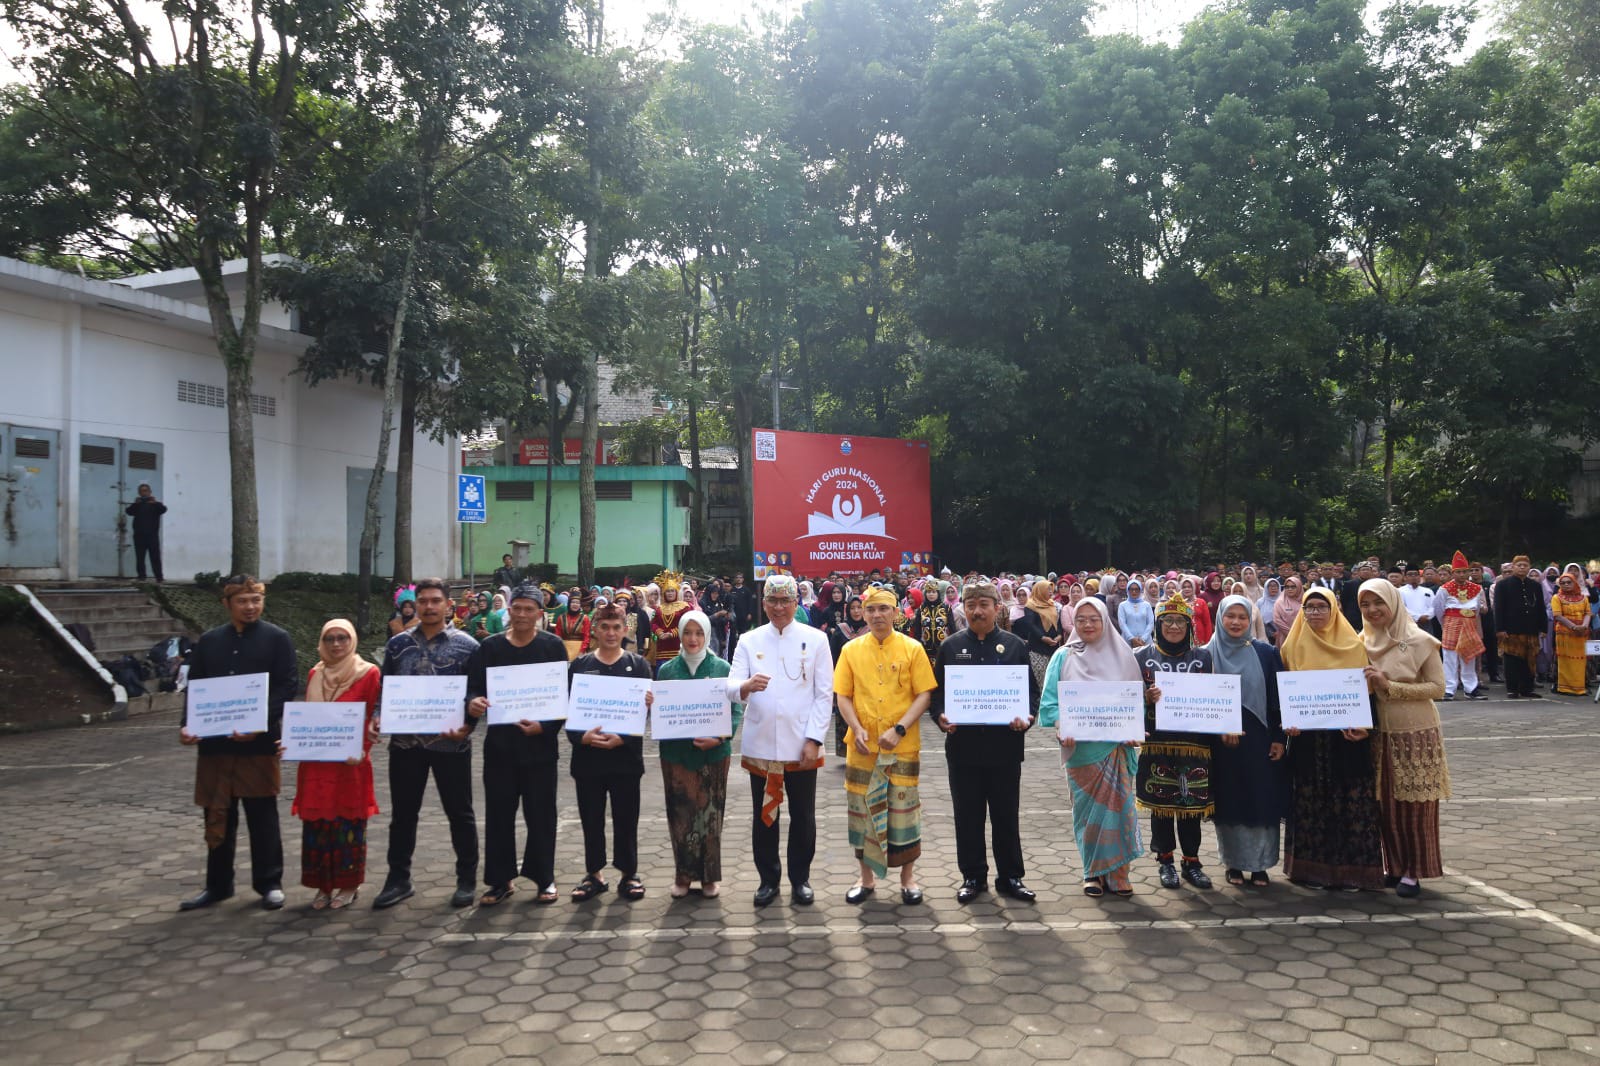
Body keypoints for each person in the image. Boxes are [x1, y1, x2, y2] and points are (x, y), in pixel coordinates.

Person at [178, 575, 298, 911]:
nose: (250, 607)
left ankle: (269, 883)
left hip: (258, 746)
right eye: (243, 601)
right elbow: (196, 688)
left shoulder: (277, 639)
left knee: (262, 816)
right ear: (227, 604)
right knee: (217, 815)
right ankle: (217, 885)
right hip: (215, 746)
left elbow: (287, 687)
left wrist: (257, 723)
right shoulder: (210, 641)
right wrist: (187, 725)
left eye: (256, 600)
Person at [727, 574, 833, 907]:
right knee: (764, 814)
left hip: (801, 742)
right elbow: (729, 685)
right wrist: (745, 687)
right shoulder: (749, 640)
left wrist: (815, 738)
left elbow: (823, 694)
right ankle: (768, 879)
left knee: (803, 815)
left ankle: (800, 878)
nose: (779, 608)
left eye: (785, 601)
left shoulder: (816, 640)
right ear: (764, 603)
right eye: (772, 601)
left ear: (796, 602)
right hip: (761, 744)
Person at [373, 578, 479, 910]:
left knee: (459, 813)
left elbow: (476, 693)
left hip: (451, 744)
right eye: (423, 601)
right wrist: (378, 715)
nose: (429, 606)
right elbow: (385, 689)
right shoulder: (397, 645)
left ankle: (466, 879)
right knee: (404, 814)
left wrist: (468, 725)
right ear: (415, 605)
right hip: (406, 745)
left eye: (436, 601)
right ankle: (398, 879)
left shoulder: (469, 647)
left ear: (449, 605)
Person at [930, 582, 1039, 904]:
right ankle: (973, 876)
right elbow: (937, 695)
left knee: (1006, 816)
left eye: (984, 604)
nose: (977, 611)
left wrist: (1027, 717)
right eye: (971, 604)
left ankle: (1011, 877)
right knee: (968, 816)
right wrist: (940, 717)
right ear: (962, 607)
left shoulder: (1015, 645)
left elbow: (1031, 693)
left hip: (1004, 748)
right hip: (963, 749)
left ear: (997, 608)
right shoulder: (950, 647)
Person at [465, 587, 569, 906]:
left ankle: (544, 878)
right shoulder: (490, 648)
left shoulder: (552, 647)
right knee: (498, 814)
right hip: (499, 748)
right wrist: (473, 704)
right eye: (517, 608)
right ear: (508, 610)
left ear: (540, 613)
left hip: (539, 748)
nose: (522, 614)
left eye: (529, 609)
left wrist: (546, 726)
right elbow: (473, 689)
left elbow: (563, 697)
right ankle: (500, 880)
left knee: (541, 814)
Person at [834, 587, 938, 905]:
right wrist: (856, 728)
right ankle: (865, 879)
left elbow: (924, 694)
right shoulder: (851, 650)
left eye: (884, 609)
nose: (877, 615)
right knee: (862, 811)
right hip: (862, 746)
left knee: (904, 812)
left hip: (902, 746)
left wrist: (900, 729)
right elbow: (843, 696)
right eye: (871, 609)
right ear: (863, 613)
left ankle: (908, 879)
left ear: (895, 613)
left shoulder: (913, 648)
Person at [1279, 587, 1384, 892]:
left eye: (1320, 607)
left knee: (1348, 801)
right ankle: (1310, 872)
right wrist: (1288, 722)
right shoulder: (1292, 646)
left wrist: (1368, 727)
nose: (1314, 613)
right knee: (1310, 802)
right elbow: (1284, 693)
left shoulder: (1353, 645)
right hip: (1308, 741)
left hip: (1347, 738)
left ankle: (1351, 873)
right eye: (1309, 607)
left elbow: (1369, 694)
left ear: (1334, 609)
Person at [1039, 597, 1144, 898]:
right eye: (1081, 619)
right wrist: (1061, 726)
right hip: (1082, 751)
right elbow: (1049, 704)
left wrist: (1133, 729)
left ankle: (1119, 872)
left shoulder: (1123, 655)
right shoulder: (1063, 656)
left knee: (1120, 811)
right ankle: (1093, 873)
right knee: (1088, 816)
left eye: (1093, 618)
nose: (1087, 624)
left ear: (1104, 621)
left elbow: (1132, 701)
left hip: (1115, 748)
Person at [1357, 579, 1451, 898]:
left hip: (1415, 734)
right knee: (1385, 805)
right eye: (1364, 605)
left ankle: (1413, 870)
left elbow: (1437, 688)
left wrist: (1390, 686)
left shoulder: (1421, 641)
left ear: (1393, 603)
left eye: (1378, 603)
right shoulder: (1359, 642)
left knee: (1415, 806)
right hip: (1377, 735)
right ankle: (1393, 865)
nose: (1372, 611)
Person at [291, 619, 381, 910]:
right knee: (318, 827)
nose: (336, 644)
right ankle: (322, 886)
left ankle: (348, 884)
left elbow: (372, 718)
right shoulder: (315, 673)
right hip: (317, 766)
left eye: (343, 637)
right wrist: (291, 742)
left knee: (348, 825)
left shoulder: (368, 673)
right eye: (329, 639)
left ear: (352, 640)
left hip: (349, 765)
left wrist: (364, 744)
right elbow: (307, 718)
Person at [567, 605, 654, 902]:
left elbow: (641, 713)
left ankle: (629, 873)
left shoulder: (638, 665)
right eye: (605, 627)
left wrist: (626, 737)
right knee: (591, 818)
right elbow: (568, 711)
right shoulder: (579, 666)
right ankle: (594, 873)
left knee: (626, 818)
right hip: (588, 758)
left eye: (616, 627)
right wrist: (581, 737)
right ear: (596, 629)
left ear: (625, 629)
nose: (611, 633)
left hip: (625, 758)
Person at [656, 609, 743, 899]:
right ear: (680, 635)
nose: (693, 639)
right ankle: (683, 876)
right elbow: (661, 710)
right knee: (680, 813)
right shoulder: (667, 671)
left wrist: (720, 735)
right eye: (687, 633)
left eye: (699, 633)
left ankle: (709, 877)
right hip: (676, 754)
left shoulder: (721, 668)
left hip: (714, 754)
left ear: (707, 635)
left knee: (710, 815)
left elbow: (735, 710)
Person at [1206, 596, 1288, 887]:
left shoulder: (1266, 653)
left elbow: (1278, 700)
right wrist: (1219, 728)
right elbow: (1199, 703)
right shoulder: (1206, 654)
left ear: (1251, 620)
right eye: (1231, 616)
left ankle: (1260, 865)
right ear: (1220, 618)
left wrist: (1279, 738)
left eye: (1243, 616)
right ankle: (1234, 864)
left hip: (1259, 739)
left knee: (1261, 799)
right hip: (1222, 744)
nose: (1237, 622)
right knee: (1230, 800)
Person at [1134, 594, 1215, 890]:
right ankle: (1165, 860)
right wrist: (1144, 698)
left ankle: (1192, 861)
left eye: (1180, 621)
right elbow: (1127, 701)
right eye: (1167, 620)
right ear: (1157, 624)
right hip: (1158, 743)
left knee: (1191, 806)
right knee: (1162, 805)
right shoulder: (1141, 657)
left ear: (1189, 625)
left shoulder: (1203, 658)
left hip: (1196, 744)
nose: (1173, 626)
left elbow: (1216, 699)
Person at [1433, 552, 1487, 700]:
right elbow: (1438, 609)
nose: (1462, 575)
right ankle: (1449, 689)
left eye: (1464, 571)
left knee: (1469, 657)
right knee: (1450, 657)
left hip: (1469, 623)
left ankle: (1471, 688)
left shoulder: (1477, 589)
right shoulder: (1444, 589)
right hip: (1451, 624)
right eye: (1458, 572)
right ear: (1453, 573)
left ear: (1469, 572)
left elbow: (1476, 610)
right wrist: (1446, 624)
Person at [1494, 556, 1549, 699]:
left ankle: (1527, 689)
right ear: (1513, 567)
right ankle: (1512, 689)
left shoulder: (1535, 585)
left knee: (1530, 660)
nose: (1522, 567)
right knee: (1512, 660)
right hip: (1510, 630)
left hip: (1531, 629)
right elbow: (1498, 609)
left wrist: (1543, 628)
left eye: (1525, 565)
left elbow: (1540, 608)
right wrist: (1500, 629)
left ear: (1529, 567)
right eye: (1519, 565)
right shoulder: (1503, 585)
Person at [1012, 579, 1066, 689]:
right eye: (1048, 590)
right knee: (1040, 679)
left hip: (1054, 647)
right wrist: (1043, 637)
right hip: (1038, 649)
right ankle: (1040, 704)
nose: (1051, 592)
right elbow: (1031, 625)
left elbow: (1058, 622)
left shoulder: (1053, 605)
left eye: (1051, 590)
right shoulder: (1030, 606)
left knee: (1054, 678)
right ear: (1040, 591)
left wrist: (1059, 635)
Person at [1551, 571, 1590, 696]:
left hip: (1581, 633)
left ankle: (1579, 687)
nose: (1566, 585)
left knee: (1580, 660)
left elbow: (1588, 613)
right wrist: (1573, 626)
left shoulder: (1583, 598)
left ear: (1575, 583)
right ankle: (1565, 688)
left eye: (1569, 582)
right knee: (1565, 660)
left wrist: (1584, 626)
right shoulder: (1557, 598)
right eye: (1563, 583)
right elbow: (1557, 615)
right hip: (1564, 633)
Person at [125, 482, 168, 583]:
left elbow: (163, 509)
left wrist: (155, 503)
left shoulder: (156, 505)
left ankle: (159, 577)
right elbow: (129, 512)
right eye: (141, 491)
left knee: (155, 557)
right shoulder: (137, 505)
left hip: (152, 535)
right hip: (139, 535)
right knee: (140, 557)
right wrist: (136, 504)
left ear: (150, 492)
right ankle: (141, 576)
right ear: (139, 493)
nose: (144, 493)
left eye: (145, 491)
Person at [650, 571, 690, 673]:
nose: (670, 593)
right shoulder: (659, 608)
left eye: (672, 591)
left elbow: (687, 624)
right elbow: (653, 624)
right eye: (668, 591)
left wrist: (672, 634)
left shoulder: (684, 607)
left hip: (678, 649)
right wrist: (660, 633)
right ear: (664, 593)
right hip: (662, 650)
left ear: (676, 592)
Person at [1117, 579, 1155, 648]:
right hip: (1127, 641)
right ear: (1128, 590)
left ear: (1140, 590)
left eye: (1136, 589)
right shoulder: (1122, 605)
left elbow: (1151, 623)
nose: (1134, 592)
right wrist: (1131, 638)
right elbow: (1122, 623)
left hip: (1145, 641)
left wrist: (1143, 639)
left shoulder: (1146, 605)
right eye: (1131, 589)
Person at [1272, 576, 1304, 649]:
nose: (1290, 589)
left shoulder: (1305, 600)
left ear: (1299, 587)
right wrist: (1291, 633)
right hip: (1285, 636)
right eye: (1287, 587)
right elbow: (1277, 620)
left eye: (1293, 587)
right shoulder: (1280, 602)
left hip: (1303, 635)